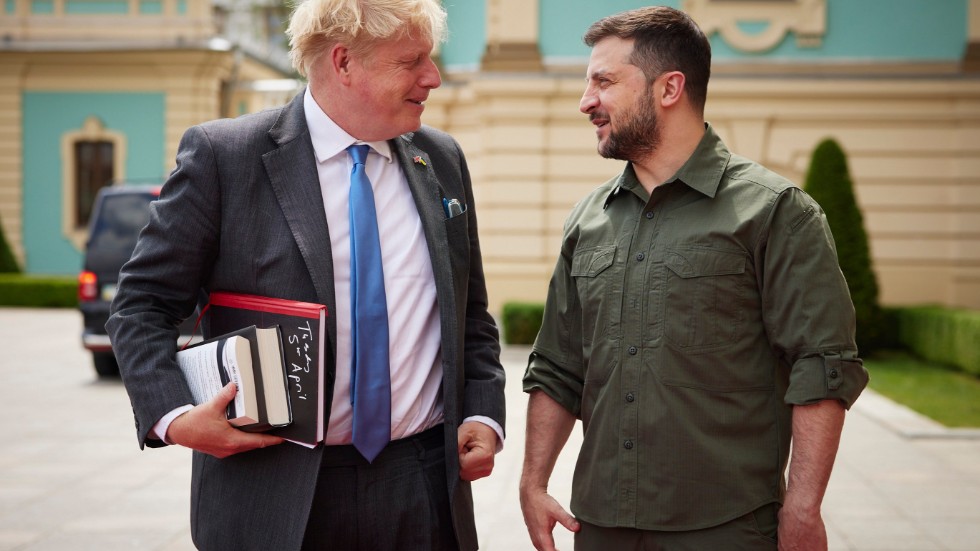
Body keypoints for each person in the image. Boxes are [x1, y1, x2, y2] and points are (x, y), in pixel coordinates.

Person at [106, 0, 506, 549]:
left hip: (423, 488)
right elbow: (141, 304)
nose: (432, 77)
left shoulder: (441, 159)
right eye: (411, 61)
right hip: (275, 490)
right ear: (343, 62)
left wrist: (484, 414)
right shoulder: (226, 157)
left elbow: (470, 315)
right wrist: (174, 417)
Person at [519, 6, 869, 551]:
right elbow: (558, 365)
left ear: (669, 88)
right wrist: (533, 482)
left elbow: (822, 366)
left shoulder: (776, 212)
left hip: (725, 528)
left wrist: (802, 508)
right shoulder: (587, 220)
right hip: (600, 525)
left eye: (603, 82)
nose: (586, 101)